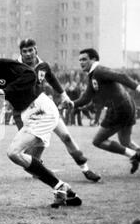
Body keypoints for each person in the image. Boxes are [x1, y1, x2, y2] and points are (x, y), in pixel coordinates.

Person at [0, 39, 82, 208]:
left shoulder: (2, 64)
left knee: (14, 153)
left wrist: (4, 91)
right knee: (26, 161)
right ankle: (66, 192)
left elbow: (30, 75)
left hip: (41, 108)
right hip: (27, 114)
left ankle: (62, 186)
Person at [17, 39, 101, 182]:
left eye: (31, 50)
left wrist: (65, 97)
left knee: (67, 137)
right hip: (28, 112)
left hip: (45, 108)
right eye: (25, 51)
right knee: (32, 151)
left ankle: (86, 169)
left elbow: (54, 81)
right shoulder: (15, 67)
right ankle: (37, 168)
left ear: (36, 50)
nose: (28, 54)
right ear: (21, 53)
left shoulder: (43, 65)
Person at [71, 48, 140, 178]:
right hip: (127, 105)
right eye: (80, 60)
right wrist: (71, 104)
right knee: (125, 142)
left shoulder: (99, 71)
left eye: (84, 59)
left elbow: (121, 77)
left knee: (98, 141)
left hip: (119, 108)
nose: (81, 62)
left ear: (94, 59)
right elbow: (85, 98)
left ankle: (134, 155)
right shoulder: (93, 76)